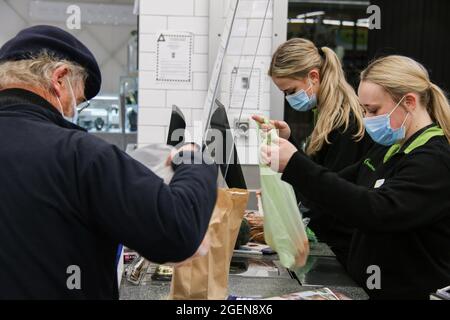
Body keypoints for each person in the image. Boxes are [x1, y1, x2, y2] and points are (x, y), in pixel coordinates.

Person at [0, 25, 218, 299]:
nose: (73, 111)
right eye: (77, 101)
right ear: (59, 78)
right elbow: (177, 230)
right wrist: (195, 160)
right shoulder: (79, 155)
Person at [258, 55, 450, 299]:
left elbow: (377, 211)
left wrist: (295, 164)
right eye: (364, 110)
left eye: (374, 110)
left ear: (409, 101)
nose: (367, 120)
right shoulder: (389, 149)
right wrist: (290, 153)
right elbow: (338, 186)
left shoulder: (434, 161)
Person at [254, 38, 373, 265]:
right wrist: (291, 140)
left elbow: (331, 189)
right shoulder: (326, 114)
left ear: (313, 77)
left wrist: (289, 211)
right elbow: (319, 170)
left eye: (291, 91)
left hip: (343, 247)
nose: (289, 99)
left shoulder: (345, 122)